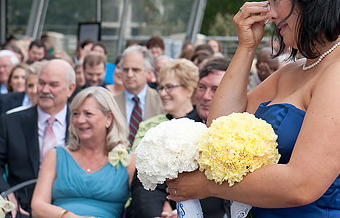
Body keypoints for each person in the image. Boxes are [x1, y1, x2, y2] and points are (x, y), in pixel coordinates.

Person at [167, 0, 340, 217]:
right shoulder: (294, 70)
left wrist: (209, 185)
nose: (269, 14)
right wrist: (246, 47)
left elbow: (302, 185)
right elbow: (220, 127)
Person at [128, 56, 231, 218]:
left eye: (216, 89)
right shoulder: (178, 129)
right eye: (202, 87)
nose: (205, 96)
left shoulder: (246, 134)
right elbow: (146, 185)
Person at [0, 59, 76, 216]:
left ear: (70, 89)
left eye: (53, 85)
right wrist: (5, 193)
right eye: (41, 83)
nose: (44, 89)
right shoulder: (12, 122)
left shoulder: (81, 124)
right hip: (23, 207)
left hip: (71, 205)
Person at [31, 87, 135, 218]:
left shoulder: (127, 160)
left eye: (88, 114)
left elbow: (145, 200)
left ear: (108, 118)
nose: (80, 120)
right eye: (75, 113)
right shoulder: (56, 156)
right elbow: (37, 206)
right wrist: (69, 217)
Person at [114, 45, 165, 145]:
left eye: (135, 70)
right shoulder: (111, 103)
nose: (129, 75)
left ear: (149, 72)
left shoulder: (161, 101)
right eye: (125, 69)